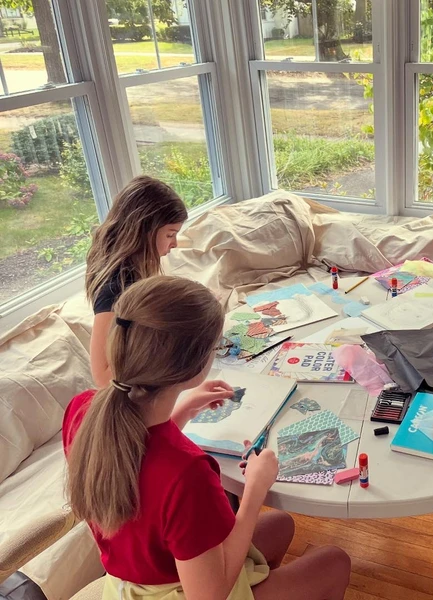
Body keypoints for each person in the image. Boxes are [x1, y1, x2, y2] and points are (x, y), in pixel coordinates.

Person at [63, 276, 351, 600]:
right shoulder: (188, 473)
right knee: (334, 562)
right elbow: (209, 595)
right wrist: (255, 491)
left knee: (281, 524)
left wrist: (180, 412)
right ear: (197, 367)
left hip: (136, 579)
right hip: (185, 591)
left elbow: (140, 463)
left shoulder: (83, 411)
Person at [85, 176, 188, 387]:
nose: (175, 244)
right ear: (144, 231)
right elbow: (103, 377)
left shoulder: (138, 265)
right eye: (170, 235)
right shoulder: (116, 288)